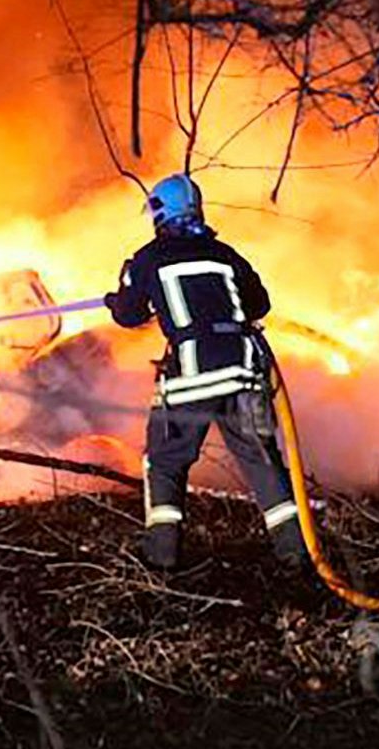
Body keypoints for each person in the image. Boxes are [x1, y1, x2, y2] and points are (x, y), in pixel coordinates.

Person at [104, 173, 308, 571]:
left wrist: (120, 295)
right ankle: (298, 551)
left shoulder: (148, 259)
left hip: (192, 377)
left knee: (165, 461)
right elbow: (258, 304)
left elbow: (129, 315)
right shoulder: (225, 254)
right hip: (244, 370)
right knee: (262, 460)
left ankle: (161, 557)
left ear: (161, 215)